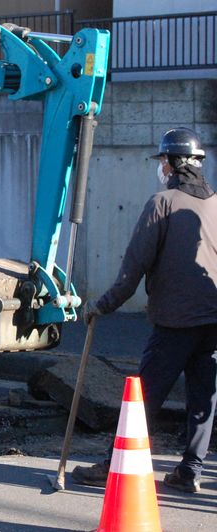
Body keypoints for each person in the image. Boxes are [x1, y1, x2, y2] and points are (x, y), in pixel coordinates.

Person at [72, 127, 217, 493]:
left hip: (174, 321)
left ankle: (115, 465)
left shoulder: (162, 203)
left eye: (164, 161)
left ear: (172, 164)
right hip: (213, 320)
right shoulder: (215, 204)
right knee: (203, 397)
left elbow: (132, 269)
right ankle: (190, 470)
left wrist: (100, 306)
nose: (161, 168)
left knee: (144, 396)